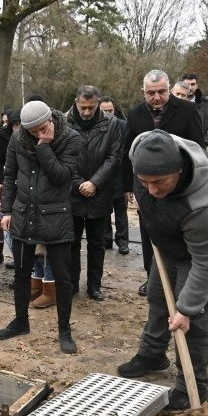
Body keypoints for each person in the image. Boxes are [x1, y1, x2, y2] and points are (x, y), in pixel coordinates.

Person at [118, 129, 208, 410]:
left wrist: (187, 309)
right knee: (157, 296)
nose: (151, 189)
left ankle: (194, 386)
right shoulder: (140, 148)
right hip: (170, 234)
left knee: (191, 319)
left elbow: (204, 262)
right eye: (144, 182)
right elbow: (148, 179)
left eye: (159, 182)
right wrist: (146, 198)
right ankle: (153, 355)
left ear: (177, 170)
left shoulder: (205, 205)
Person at [0, 100, 82, 354]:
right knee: (21, 274)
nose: (38, 135)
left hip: (56, 217)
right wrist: (7, 210)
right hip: (22, 214)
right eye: (33, 132)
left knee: (63, 278)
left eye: (42, 129)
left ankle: (64, 330)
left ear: (50, 121)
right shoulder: (18, 139)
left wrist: (44, 147)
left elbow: (62, 176)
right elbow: (9, 176)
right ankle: (21, 322)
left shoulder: (70, 138)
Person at [123, 69, 205, 296]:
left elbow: (198, 147)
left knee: (178, 229)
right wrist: (128, 187)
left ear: (169, 90)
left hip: (179, 185)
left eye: (161, 92)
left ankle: (180, 275)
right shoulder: (135, 114)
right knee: (149, 231)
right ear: (143, 92)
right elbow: (126, 152)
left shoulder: (187, 110)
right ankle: (152, 277)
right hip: (145, 185)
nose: (156, 97)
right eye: (151, 93)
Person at [66, 85, 122, 303]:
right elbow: (62, 156)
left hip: (100, 193)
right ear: (76, 102)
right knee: (71, 243)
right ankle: (71, 283)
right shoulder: (65, 121)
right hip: (73, 191)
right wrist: (80, 183)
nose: (87, 112)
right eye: (83, 107)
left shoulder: (111, 124)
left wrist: (95, 183)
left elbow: (114, 157)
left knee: (97, 243)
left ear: (98, 103)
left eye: (91, 107)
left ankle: (94, 285)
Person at [100, 96, 129, 255]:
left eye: (110, 110)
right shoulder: (96, 128)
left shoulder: (124, 126)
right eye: (104, 111)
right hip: (103, 177)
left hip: (120, 176)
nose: (108, 114)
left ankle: (123, 241)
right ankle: (106, 239)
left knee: (121, 212)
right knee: (104, 211)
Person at [0, 109, 21, 269]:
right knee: (6, 224)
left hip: (24, 186)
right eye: (14, 124)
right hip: (8, 184)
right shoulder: (4, 138)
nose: (17, 128)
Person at [181, 73, 208, 146]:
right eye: (187, 84)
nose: (190, 87)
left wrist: (204, 141)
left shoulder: (207, 106)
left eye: (193, 84)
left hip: (198, 149)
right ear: (181, 85)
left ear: (196, 86)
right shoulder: (173, 104)